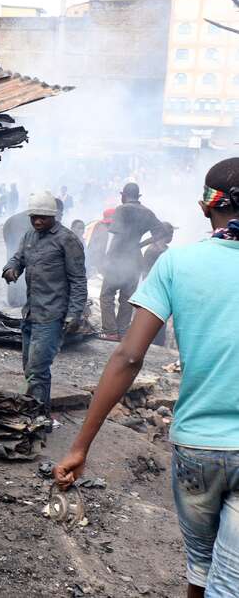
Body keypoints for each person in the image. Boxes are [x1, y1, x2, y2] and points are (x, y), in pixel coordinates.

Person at [54, 158, 239, 598]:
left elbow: (128, 356)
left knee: (201, 571)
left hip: (196, 447)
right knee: (229, 583)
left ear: (204, 206)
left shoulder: (178, 264)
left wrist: (80, 446)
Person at [1, 191, 88, 420]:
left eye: (43, 217)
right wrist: (11, 270)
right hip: (30, 313)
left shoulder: (67, 240)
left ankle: (39, 418)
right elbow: (17, 258)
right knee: (30, 368)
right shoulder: (30, 236)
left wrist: (74, 315)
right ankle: (37, 413)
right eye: (34, 217)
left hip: (51, 316)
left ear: (54, 216)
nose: (38, 221)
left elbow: (78, 280)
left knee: (37, 370)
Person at [100, 183, 167, 340]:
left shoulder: (122, 209)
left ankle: (110, 331)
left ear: (124, 195)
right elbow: (161, 232)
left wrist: (107, 259)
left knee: (107, 294)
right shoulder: (148, 213)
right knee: (126, 297)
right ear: (139, 196)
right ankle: (122, 332)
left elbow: (117, 237)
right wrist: (140, 245)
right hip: (135, 257)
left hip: (118, 256)